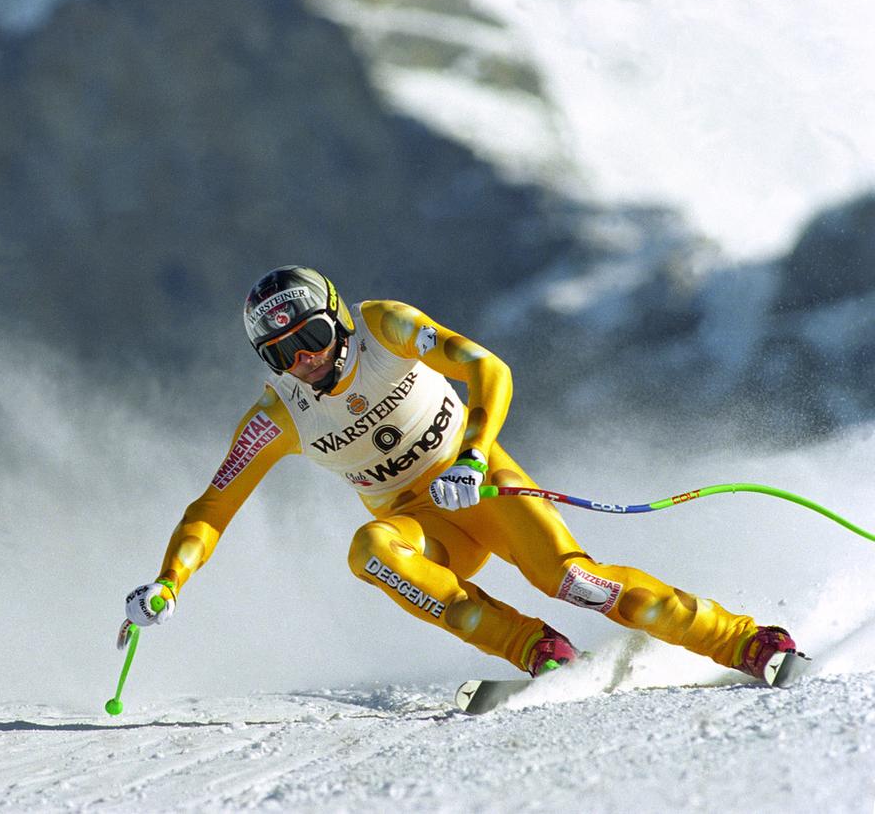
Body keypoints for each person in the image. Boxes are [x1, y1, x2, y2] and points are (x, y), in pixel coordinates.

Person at [122, 265, 799, 681]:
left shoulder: (383, 327)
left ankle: (742, 639)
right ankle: (534, 648)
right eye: (281, 353)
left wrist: (473, 454)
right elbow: (212, 507)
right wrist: (169, 581)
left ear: (339, 321)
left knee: (573, 579)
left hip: (481, 482)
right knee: (372, 552)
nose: (303, 361)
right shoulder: (277, 416)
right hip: (421, 523)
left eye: (312, 338)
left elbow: (487, 369)